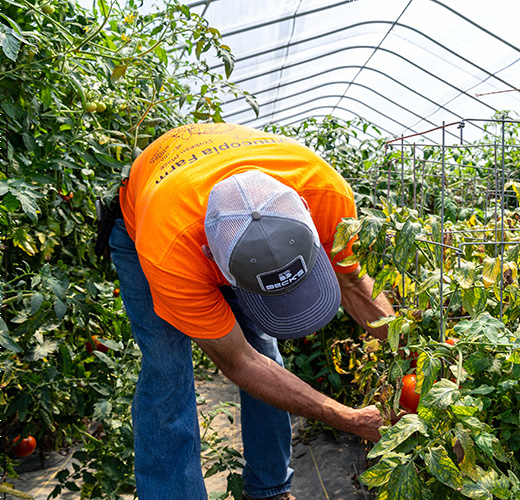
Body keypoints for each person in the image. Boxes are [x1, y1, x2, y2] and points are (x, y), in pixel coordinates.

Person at [107, 122, 395, 500]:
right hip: (145, 222)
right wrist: (350, 418)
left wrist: (416, 361)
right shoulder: (170, 249)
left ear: (307, 212)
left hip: (199, 183)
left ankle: (270, 489)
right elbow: (238, 361)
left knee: (266, 351)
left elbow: (354, 284)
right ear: (212, 258)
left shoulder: (325, 192)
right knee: (167, 373)